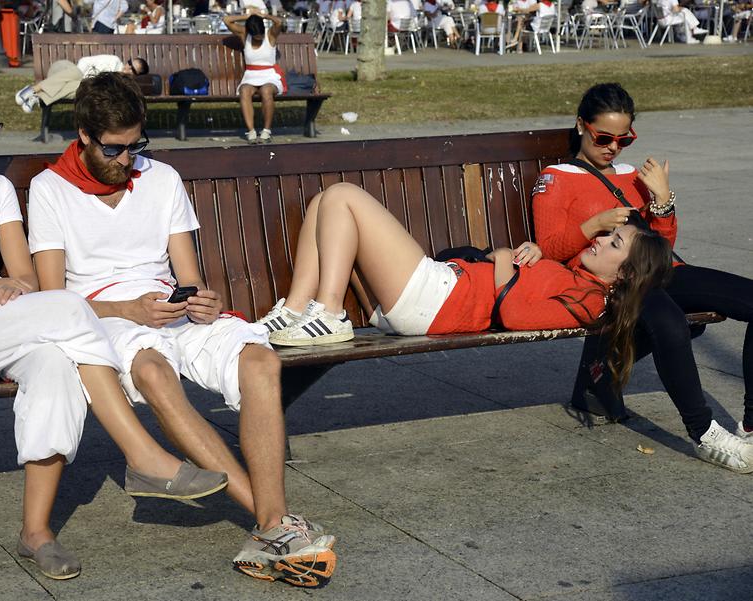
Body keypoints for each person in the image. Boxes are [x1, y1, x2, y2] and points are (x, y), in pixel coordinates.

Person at [0, 69, 228, 582]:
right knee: (68, 307)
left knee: (56, 362)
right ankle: (144, 455)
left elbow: (27, 278)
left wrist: (3, 290)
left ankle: (36, 533)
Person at [27, 72, 338, 587]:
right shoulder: (50, 189)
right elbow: (54, 300)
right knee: (152, 372)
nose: (127, 160)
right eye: (115, 149)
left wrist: (201, 297)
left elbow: (187, 273)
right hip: (103, 317)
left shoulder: (162, 178)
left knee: (261, 361)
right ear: (83, 135)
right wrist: (128, 310)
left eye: (136, 146)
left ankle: (273, 525)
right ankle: (273, 526)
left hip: (169, 309)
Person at [258, 183, 672, 408]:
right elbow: (516, 284)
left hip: (439, 300)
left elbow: (513, 314)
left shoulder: (590, 304)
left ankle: (329, 312)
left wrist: (507, 258)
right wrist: (519, 257)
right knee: (322, 202)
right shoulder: (579, 278)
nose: (602, 240)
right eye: (609, 235)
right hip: (436, 292)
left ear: (623, 277)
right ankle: (295, 309)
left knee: (344, 196)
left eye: (614, 244)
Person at [531, 82, 753, 473]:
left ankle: (751, 424)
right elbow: (548, 249)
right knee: (668, 322)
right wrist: (593, 225)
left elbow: (661, 247)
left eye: (624, 139)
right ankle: (705, 434)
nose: (613, 148)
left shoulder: (632, 176)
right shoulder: (556, 179)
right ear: (582, 125)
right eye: (603, 137)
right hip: (616, 280)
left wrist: (662, 201)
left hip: (660, 271)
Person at [223, 11, 286, 144]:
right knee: (244, 91)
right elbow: (227, 20)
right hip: (251, 76)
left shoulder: (270, 35)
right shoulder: (244, 34)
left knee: (266, 91)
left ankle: (266, 131)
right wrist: (248, 16)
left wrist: (263, 16)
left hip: (269, 75)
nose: (259, 38)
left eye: (260, 35)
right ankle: (251, 132)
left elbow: (279, 22)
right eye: (256, 36)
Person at [15, 55, 149, 113]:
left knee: (80, 88)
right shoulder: (113, 61)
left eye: (133, 70)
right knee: (78, 76)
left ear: (135, 76)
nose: (128, 68)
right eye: (130, 63)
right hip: (63, 70)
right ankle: (34, 89)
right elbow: (84, 62)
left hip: (66, 85)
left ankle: (38, 97)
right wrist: (83, 79)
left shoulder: (119, 85)